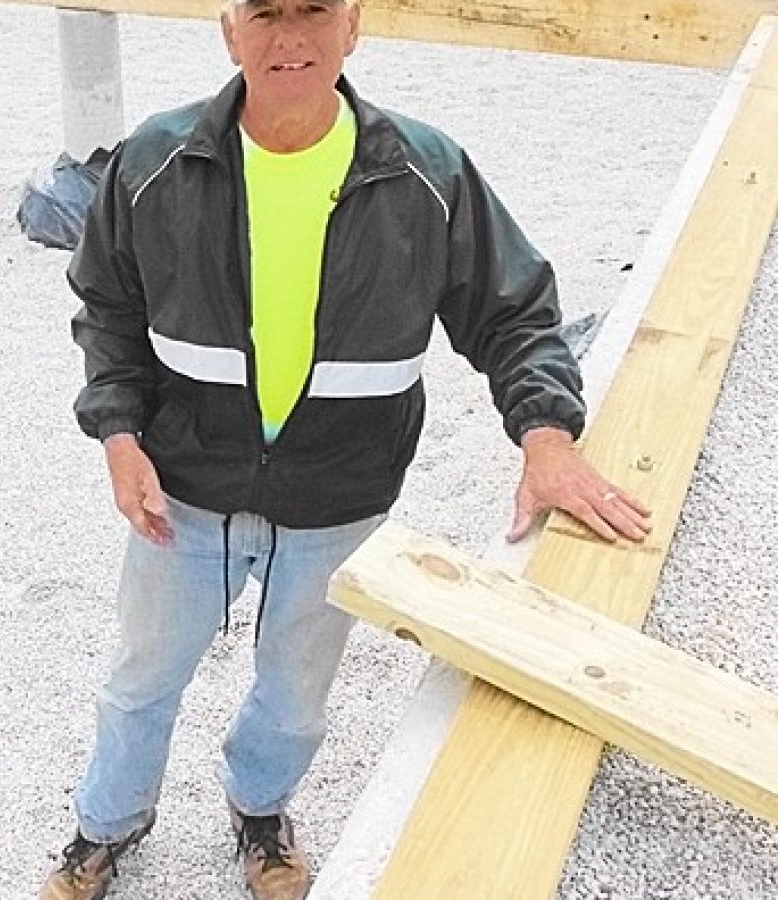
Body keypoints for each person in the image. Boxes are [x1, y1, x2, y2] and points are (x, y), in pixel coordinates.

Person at [38, 0, 651, 896]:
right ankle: (106, 826)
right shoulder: (155, 163)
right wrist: (119, 436)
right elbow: (109, 309)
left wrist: (546, 434)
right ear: (229, 29)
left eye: (314, 10)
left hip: (339, 503)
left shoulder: (425, 175)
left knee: (295, 698)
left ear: (353, 25)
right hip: (186, 491)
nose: (290, 37)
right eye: (266, 13)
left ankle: (260, 812)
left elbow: (514, 312)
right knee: (140, 680)